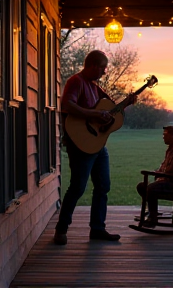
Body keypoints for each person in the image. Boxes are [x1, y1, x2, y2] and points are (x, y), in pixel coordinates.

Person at [54, 50, 137, 245]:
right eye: (102, 68)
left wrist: (126, 103)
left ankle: (98, 229)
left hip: (98, 145)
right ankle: (61, 229)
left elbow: (109, 111)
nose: (104, 72)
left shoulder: (94, 86)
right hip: (80, 144)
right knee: (77, 187)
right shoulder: (76, 81)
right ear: (92, 65)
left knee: (103, 186)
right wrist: (91, 115)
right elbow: (67, 105)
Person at [136, 126, 173, 228]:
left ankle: (152, 220)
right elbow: (164, 167)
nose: (163, 137)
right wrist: (157, 173)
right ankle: (153, 212)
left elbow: (171, 172)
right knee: (142, 187)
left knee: (151, 189)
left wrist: (158, 176)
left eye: (165, 135)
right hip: (168, 181)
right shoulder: (172, 149)